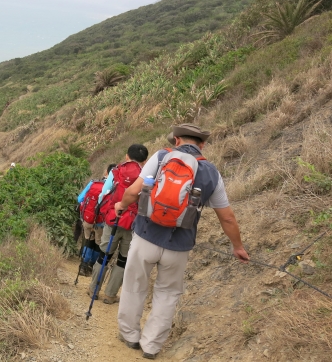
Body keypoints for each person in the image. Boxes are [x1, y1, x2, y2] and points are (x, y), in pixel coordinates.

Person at [115, 124, 250, 359]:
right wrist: (237, 246)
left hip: (146, 236)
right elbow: (227, 217)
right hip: (179, 245)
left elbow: (133, 192)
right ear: (202, 145)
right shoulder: (211, 173)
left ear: (176, 140)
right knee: (167, 294)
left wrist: (121, 207)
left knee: (134, 285)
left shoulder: (161, 157)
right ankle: (151, 346)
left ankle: (130, 336)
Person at [88, 144, 149, 304]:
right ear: (145, 161)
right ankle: (110, 295)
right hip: (132, 224)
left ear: (127, 156)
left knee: (104, 256)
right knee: (123, 260)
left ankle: (94, 289)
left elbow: (103, 194)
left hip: (113, 218)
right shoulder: (146, 176)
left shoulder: (117, 172)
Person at [77, 163, 117, 275]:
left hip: (88, 219)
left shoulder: (93, 183)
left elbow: (80, 198)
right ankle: (91, 266)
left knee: (88, 240)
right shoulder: (115, 188)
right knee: (99, 243)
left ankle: (83, 265)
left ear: (106, 172)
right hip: (102, 223)